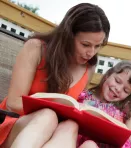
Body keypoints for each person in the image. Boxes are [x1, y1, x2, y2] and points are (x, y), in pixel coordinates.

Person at [0, 3, 110, 148]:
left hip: (51, 135)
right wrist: (54, 109)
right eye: (85, 44)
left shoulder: (88, 68)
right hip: (13, 124)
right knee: (48, 116)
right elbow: (13, 103)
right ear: (68, 36)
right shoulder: (36, 48)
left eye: (97, 46)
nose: (91, 53)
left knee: (73, 129)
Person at [77, 60, 131, 148]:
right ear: (108, 75)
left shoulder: (127, 107)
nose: (118, 89)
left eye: (126, 90)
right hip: (83, 144)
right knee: (89, 145)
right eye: (117, 81)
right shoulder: (84, 97)